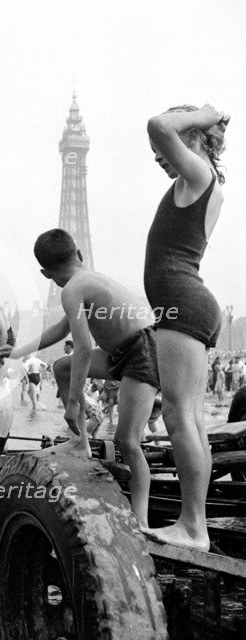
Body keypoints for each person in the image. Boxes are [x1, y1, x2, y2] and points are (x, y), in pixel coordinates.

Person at [0, 229, 160, 529]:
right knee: (61, 367)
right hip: (122, 352)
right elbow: (61, 330)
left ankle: (142, 523)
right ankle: (80, 443)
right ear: (80, 255)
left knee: (128, 440)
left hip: (142, 352)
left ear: (45, 273)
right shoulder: (86, 280)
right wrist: (18, 351)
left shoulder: (71, 289)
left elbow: (84, 347)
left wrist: (73, 402)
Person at [143, 103, 229, 550]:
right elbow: (161, 133)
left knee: (178, 414)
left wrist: (203, 111)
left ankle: (193, 527)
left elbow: (158, 126)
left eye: (165, 149)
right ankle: (196, 525)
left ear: (194, 133)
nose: (158, 153)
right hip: (186, 302)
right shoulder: (195, 179)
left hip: (181, 301)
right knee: (190, 417)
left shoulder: (198, 175)